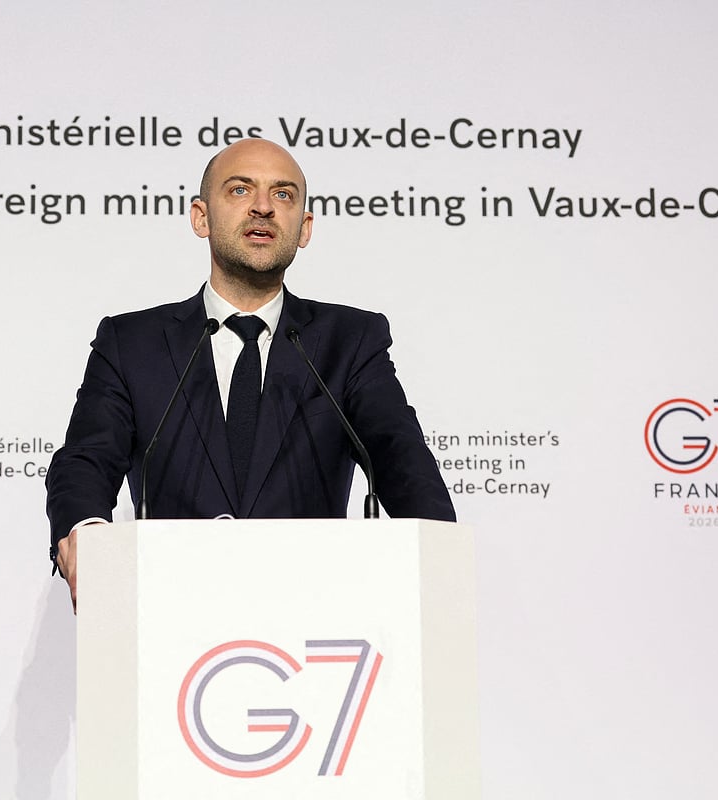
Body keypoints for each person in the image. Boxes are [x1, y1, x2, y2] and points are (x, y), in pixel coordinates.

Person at [46, 138, 454, 608]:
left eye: (283, 194)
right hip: (170, 608)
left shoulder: (350, 340)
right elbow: (86, 460)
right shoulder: (132, 342)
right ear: (201, 217)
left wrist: (440, 560)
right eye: (240, 190)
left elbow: (401, 458)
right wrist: (85, 533)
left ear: (304, 228)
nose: (263, 207)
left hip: (313, 611)